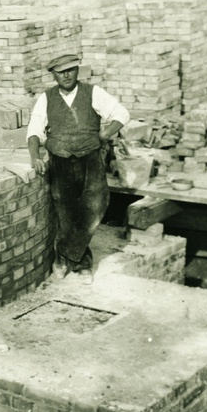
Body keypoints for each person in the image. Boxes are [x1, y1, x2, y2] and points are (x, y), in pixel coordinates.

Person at [26, 52, 130, 272]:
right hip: (60, 161)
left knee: (96, 205)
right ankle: (80, 263)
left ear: (77, 71)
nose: (67, 75)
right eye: (61, 72)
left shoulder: (93, 92)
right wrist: (35, 156)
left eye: (71, 70)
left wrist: (105, 135)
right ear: (53, 75)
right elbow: (34, 131)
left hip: (90, 159)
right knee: (66, 209)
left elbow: (121, 113)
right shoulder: (46, 98)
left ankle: (64, 256)